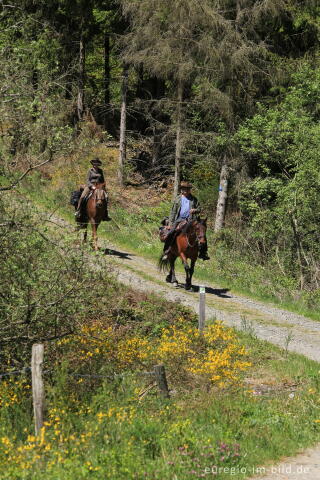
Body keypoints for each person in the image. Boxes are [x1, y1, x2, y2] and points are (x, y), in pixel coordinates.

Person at [162, 181, 210, 260]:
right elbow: (173, 211)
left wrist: (195, 210)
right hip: (179, 219)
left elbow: (200, 209)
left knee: (202, 233)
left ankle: (203, 253)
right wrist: (170, 223)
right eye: (183, 189)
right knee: (171, 232)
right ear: (181, 189)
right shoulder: (178, 199)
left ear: (189, 190)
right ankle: (167, 251)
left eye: (187, 189)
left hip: (191, 220)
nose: (185, 190)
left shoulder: (194, 199)